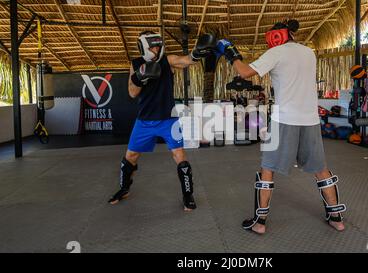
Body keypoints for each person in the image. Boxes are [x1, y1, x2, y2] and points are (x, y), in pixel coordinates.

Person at [215, 20, 347, 233]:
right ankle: (336, 218)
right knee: (321, 170)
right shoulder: (308, 53)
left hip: (284, 119)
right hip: (310, 120)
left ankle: (259, 223)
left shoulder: (276, 53)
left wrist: (231, 54)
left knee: (267, 169)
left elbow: (245, 72)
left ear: (274, 37)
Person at [108, 31, 217, 211]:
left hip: (169, 119)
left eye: (158, 45)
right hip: (144, 121)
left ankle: (188, 195)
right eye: (152, 46)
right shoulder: (135, 64)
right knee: (130, 158)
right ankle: (124, 189)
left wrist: (197, 53)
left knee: (180, 156)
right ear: (143, 46)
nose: (156, 49)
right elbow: (132, 92)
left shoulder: (167, 60)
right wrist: (140, 77)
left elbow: (186, 60)